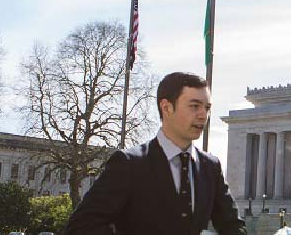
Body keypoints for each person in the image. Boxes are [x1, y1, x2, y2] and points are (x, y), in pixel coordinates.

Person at [65, 72, 247, 235]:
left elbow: (232, 226)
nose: (203, 115)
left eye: (207, 108)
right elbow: (81, 227)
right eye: (194, 106)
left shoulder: (210, 167)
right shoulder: (129, 164)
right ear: (166, 107)